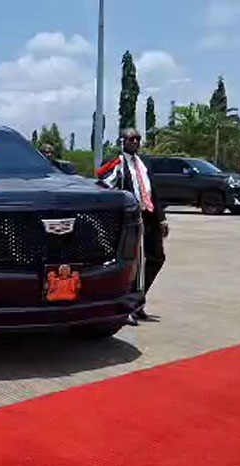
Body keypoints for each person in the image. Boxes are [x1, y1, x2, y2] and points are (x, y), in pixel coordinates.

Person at [97, 128, 169, 325]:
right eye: (131, 138)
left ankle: (136, 301)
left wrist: (161, 218)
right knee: (133, 263)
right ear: (122, 141)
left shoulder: (143, 163)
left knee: (157, 257)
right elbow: (102, 185)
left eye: (138, 138)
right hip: (130, 219)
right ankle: (127, 306)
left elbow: (153, 192)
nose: (136, 142)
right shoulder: (117, 164)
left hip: (149, 217)